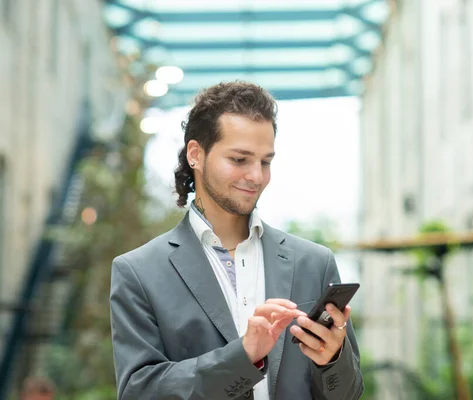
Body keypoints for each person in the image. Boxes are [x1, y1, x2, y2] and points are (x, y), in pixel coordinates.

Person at [109, 81, 363, 400]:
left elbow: (349, 394)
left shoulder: (313, 263)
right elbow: (138, 393)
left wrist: (333, 360)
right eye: (240, 160)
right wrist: (241, 357)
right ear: (195, 155)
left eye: (265, 161)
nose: (256, 176)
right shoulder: (139, 272)